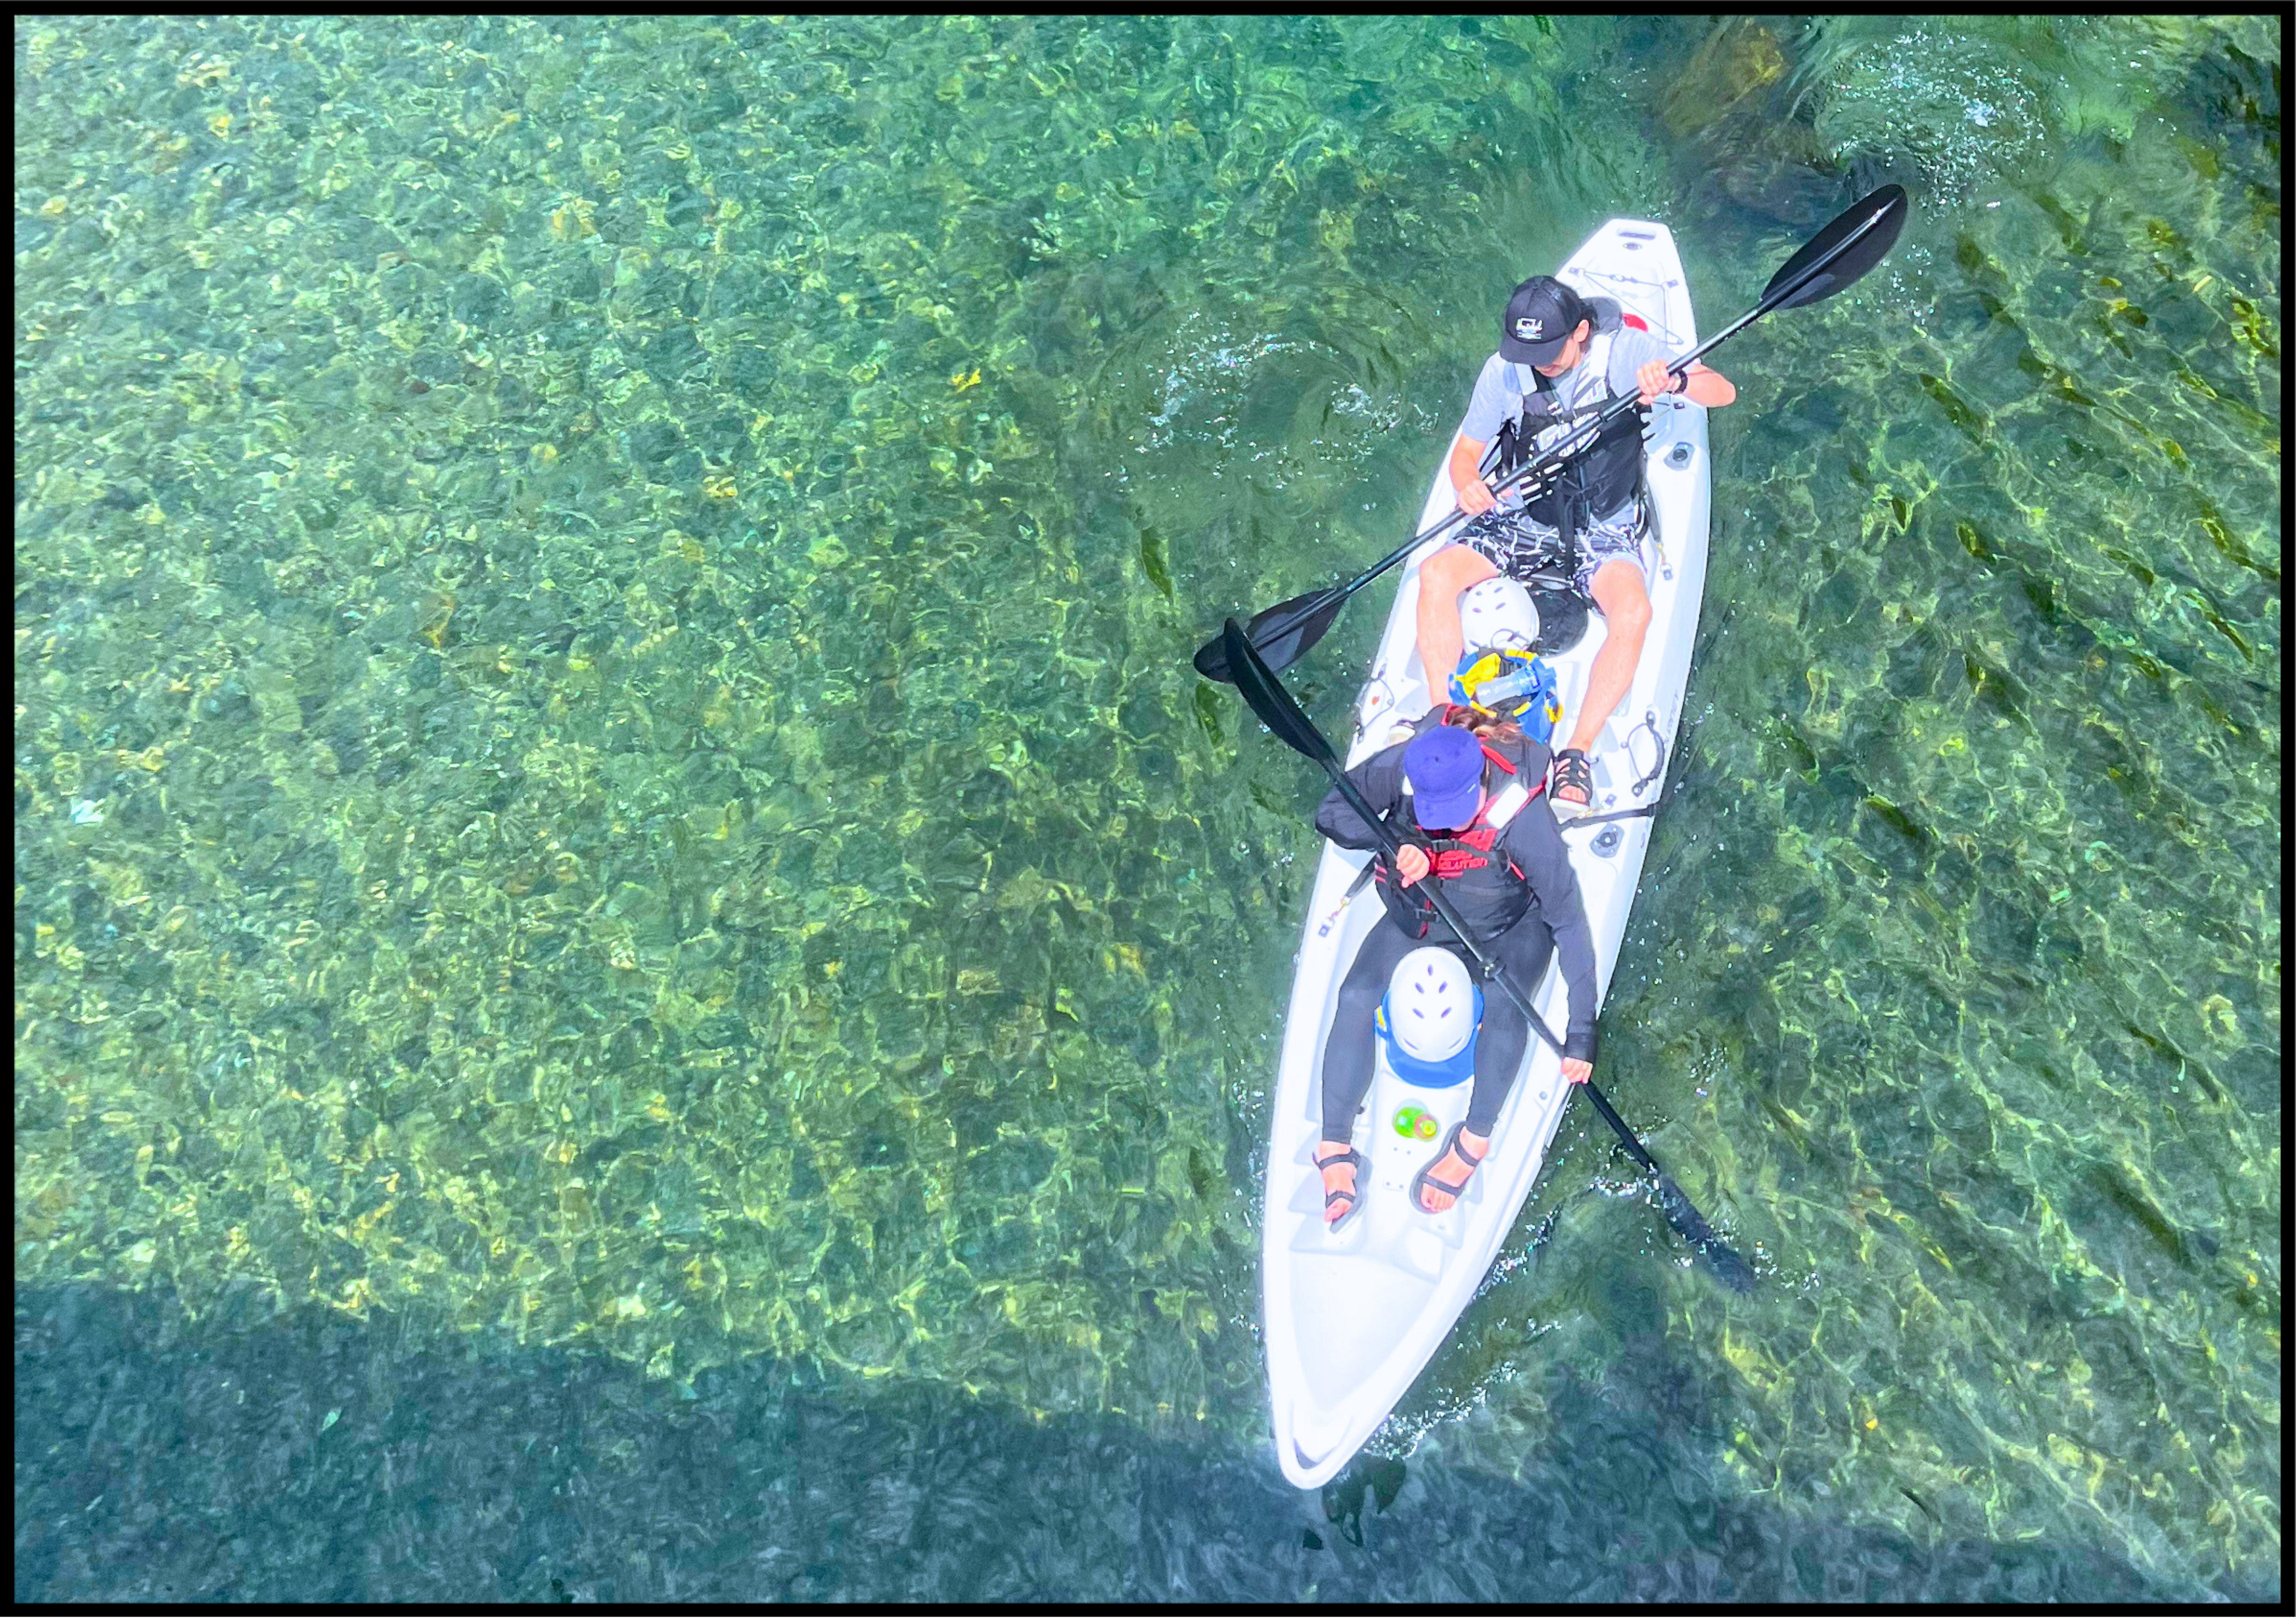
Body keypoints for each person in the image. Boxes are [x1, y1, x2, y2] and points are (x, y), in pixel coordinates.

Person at [1415, 275, 1736, 806]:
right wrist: (1467, 483)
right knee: (1435, 574)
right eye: (1526, 350)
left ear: (1581, 331)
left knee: (1633, 614)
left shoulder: (1624, 351)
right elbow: (1465, 453)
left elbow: (1720, 392)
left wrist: (1674, 382)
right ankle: (1443, 722)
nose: (1536, 361)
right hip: (1526, 518)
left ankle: (1576, 754)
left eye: (1547, 348)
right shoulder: (1504, 371)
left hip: (1603, 527)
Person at [1310, 705, 1598, 1228]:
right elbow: (1330, 814)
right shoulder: (1405, 765)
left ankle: (1474, 1138)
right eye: (1432, 808)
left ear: (1481, 778)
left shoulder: (1524, 818)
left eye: (1455, 807)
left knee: (1507, 1008)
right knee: (1354, 997)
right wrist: (1398, 843)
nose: (1444, 819)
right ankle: (1333, 1140)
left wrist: (1581, 1033)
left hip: (1508, 924)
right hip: (1424, 908)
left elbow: (1569, 921)